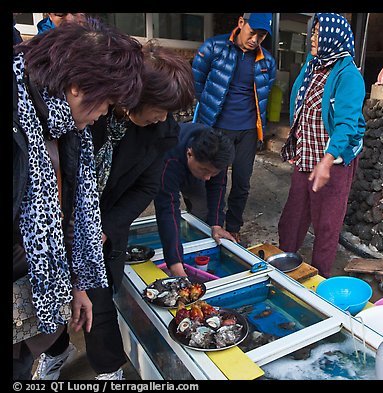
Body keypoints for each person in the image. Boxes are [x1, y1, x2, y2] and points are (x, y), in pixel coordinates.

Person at [32, 40, 195, 381]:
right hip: (63, 220)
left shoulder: (162, 132)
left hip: (110, 224)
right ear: (134, 96)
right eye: (161, 108)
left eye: (171, 112)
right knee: (59, 299)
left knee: (100, 299)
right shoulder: (91, 115)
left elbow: (148, 187)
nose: (165, 118)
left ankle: (108, 369)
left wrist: (105, 225)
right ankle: (57, 350)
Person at [13, 19, 144, 380]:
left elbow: (68, 215)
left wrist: (77, 285)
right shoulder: (21, 121)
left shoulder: (66, 129)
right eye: (106, 102)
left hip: (29, 322)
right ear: (76, 86)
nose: (105, 113)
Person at [277, 13, 366, 278]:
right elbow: (301, 106)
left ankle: (320, 281)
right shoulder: (313, 66)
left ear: (333, 37)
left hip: (333, 160)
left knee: (326, 225)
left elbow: (346, 125)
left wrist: (327, 160)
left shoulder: (349, 76)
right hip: (306, 154)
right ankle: (284, 267)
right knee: (293, 218)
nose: (313, 38)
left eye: (318, 33)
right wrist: (296, 142)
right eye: (313, 32)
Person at [191, 13, 276, 244]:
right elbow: (197, 83)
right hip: (218, 127)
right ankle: (213, 224)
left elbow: (264, 95)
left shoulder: (267, 61)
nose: (255, 39)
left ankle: (234, 226)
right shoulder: (213, 48)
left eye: (262, 36)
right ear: (241, 24)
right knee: (215, 178)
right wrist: (209, 116)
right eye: (252, 33)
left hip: (248, 130)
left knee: (242, 181)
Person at [154, 123, 236, 277]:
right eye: (204, 170)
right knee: (168, 215)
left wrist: (216, 223)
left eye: (213, 173)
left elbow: (218, 186)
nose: (207, 177)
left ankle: (194, 247)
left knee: (201, 214)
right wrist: (175, 263)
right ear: (189, 153)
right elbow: (167, 209)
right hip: (167, 168)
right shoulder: (170, 156)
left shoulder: (219, 155)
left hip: (193, 174)